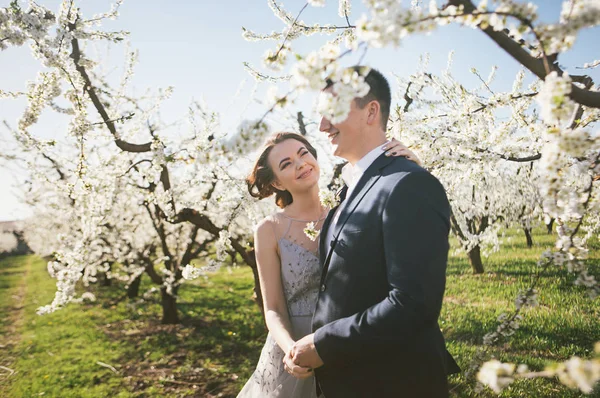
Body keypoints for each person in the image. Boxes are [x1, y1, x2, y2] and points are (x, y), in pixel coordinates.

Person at [285, 67, 460, 398]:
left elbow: (412, 304)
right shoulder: (352, 187)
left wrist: (324, 344)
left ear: (371, 111)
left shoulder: (408, 184)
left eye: (331, 113)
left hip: (391, 382)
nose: (321, 127)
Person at [237, 132, 420, 397]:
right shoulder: (269, 229)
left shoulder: (350, 208)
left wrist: (412, 169)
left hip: (348, 338)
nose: (300, 164)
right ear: (276, 181)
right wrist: (292, 350)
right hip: (295, 352)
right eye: (286, 164)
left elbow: (408, 233)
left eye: (303, 154)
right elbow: (273, 309)